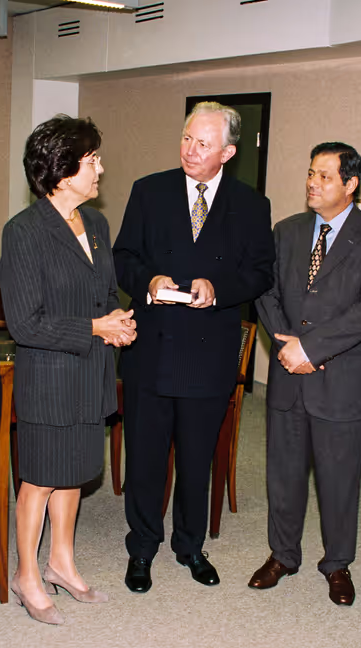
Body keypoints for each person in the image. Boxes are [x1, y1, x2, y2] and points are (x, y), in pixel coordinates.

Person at [114, 101, 275, 593]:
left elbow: (261, 273)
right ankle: (141, 548)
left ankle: (190, 545)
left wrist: (218, 288)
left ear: (227, 152)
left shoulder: (251, 205)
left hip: (209, 351)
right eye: (186, 138)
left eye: (203, 144)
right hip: (152, 349)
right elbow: (124, 256)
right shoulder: (149, 190)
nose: (190, 150)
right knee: (144, 456)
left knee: (196, 457)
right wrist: (149, 279)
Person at [0, 115, 135, 625]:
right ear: (61, 168)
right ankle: (26, 575)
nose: (101, 167)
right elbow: (26, 322)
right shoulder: (24, 232)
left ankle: (61, 562)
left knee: (75, 474)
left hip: (91, 373)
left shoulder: (96, 223)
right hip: (50, 379)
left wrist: (117, 323)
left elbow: (104, 294)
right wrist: (97, 328)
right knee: (39, 479)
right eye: (92, 159)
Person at [250, 142, 361, 605]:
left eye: (325, 176)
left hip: (341, 380)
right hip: (288, 375)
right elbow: (265, 291)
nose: (313, 183)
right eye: (311, 173)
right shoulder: (287, 231)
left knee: (338, 481)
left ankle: (337, 564)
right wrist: (285, 343)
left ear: (350, 184)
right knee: (284, 475)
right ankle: (282, 555)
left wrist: (311, 349)